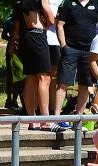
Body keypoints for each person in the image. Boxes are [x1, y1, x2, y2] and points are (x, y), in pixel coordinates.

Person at [52, 0, 98, 128]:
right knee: (63, 82)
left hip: (90, 51)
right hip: (70, 48)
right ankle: (56, 117)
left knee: (86, 83)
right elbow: (59, 25)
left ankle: (79, 118)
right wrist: (64, 46)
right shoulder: (68, 3)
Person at [19, 0, 64, 132]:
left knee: (31, 78)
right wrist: (49, 18)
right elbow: (51, 20)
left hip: (28, 35)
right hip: (38, 35)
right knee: (45, 77)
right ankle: (46, 121)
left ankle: (32, 120)